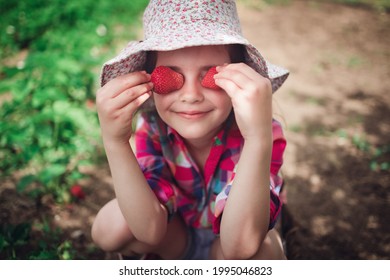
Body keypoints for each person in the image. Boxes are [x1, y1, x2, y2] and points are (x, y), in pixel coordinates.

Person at [91, 0, 289, 260]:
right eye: (170, 77)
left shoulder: (264, 132)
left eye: (211, 77)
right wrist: (115, 142)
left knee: (268, 252)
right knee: (109, 227)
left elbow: (240, 247)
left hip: (231, 252)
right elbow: (149, 230)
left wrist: (257, 138)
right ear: (148, 81)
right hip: (175, 240)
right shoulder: (152, 129)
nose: (192, 95)